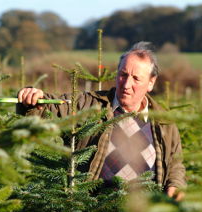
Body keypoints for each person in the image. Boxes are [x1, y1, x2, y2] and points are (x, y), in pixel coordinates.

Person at [17, 41, 185, 200]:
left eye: (136, 78)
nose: (126, 84)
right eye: (123, 75)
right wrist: (33, 97)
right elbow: (51, 107)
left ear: (151, 83)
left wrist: (175, 185)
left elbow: (175, 163)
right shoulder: (89, 105)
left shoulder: (164, 122)